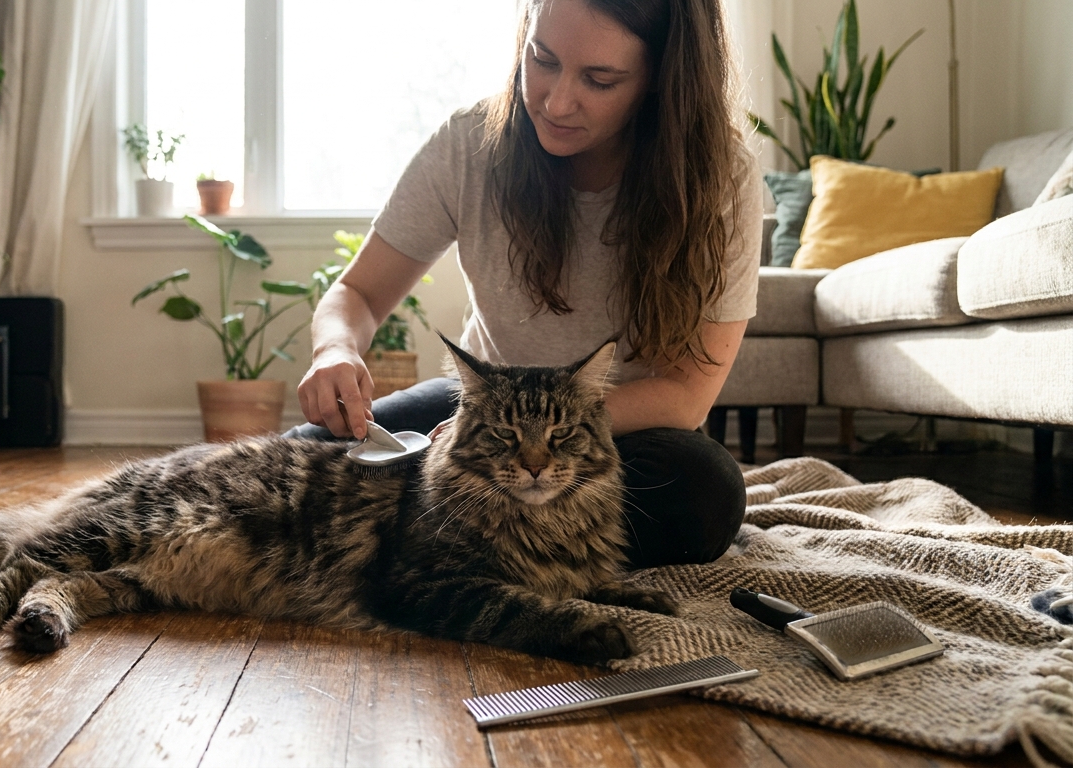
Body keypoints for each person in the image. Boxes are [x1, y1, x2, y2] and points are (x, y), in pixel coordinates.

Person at [288, 0, 762, 569]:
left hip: (615, 431)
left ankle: (447, 539)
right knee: (299, 460)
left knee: (704, 495)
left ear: (662, 77)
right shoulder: (468, 144)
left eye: (599, 80)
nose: (556, 102)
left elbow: (685, 396)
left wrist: (550, 437)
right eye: (542, 60)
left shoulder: (721, 179)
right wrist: (335, 350)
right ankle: (482, 543)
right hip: (484, 417)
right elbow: (358, 294)